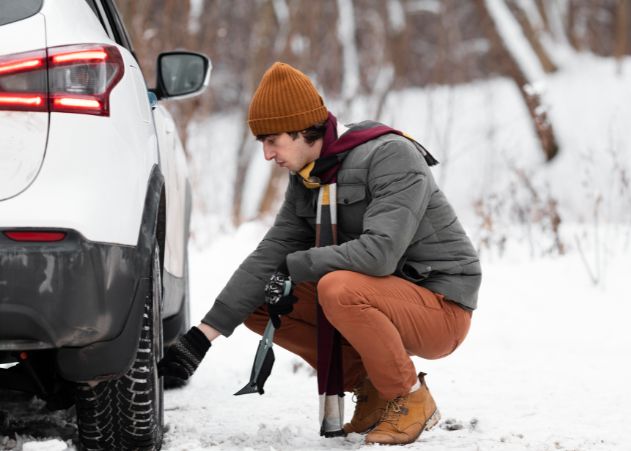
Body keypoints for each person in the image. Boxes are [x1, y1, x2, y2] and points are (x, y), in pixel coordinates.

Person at [158, 62, 481, 445]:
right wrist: (201, 337)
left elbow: (379, 255)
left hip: (440, 305)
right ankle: (373, 388)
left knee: (338, 288)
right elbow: (271, 254)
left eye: (272, 140)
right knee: (265, 302)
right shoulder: (309, 176)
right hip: (381, 296)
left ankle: (409, 398)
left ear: (301, 129)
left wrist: (298, 265)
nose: (266, 154)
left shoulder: (390, 156)